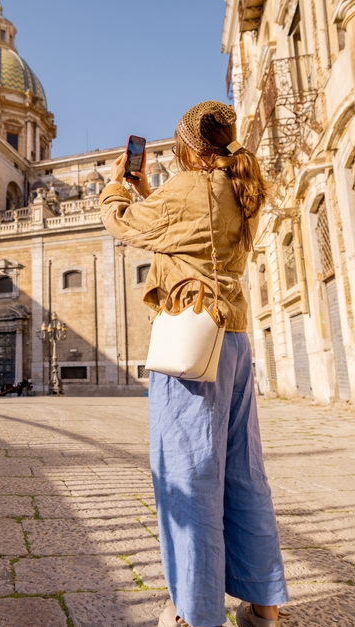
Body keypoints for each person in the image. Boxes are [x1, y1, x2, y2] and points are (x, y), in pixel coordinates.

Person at [100, 101, 288, 627]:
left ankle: (193, 615)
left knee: (187, 473)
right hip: (234, 340)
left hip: (190, 340)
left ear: (186, 147)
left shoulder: (185, 188)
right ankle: (265, 608)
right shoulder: (242, 186)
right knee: (245, 471)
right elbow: (191, 227)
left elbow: (122, 223)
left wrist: (119, 185)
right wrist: (147, 190)